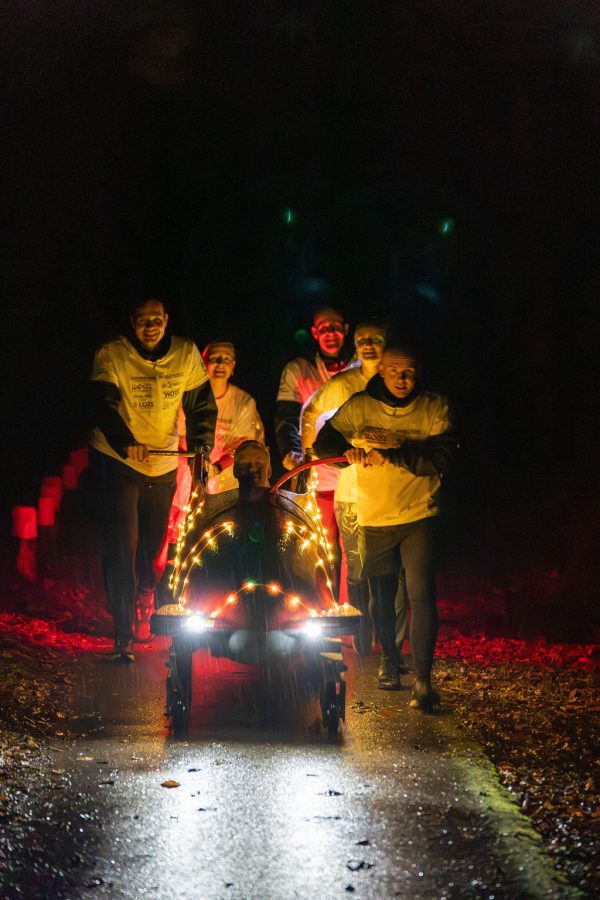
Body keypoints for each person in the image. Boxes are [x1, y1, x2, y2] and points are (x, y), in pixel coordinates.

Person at [314, 342, 456, 708]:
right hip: (374, 515)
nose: (401, 378)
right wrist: (347, 455)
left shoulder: (433, 407)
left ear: (418, 370)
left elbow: (440, 459)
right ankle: (390, 662)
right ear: (382, 371)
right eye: (394, 371)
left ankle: (422, 681)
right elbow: (323, 441)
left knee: (420, 594)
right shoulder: (361, 405)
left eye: (408, 371)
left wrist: (395, 454)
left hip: (419, 513)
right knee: (380, 596)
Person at [90, 296, 217, 661]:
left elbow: (201, 405)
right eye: (142, 320)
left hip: (162, 462)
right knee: (121, 548)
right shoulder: (112, 354)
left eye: (156, 319)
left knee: (156, 552)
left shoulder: (185, 352)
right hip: (120, 460)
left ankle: (148, 591)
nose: (150, 326)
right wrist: (125, 443)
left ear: (166, 320)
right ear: (132, 322)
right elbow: (103, 404)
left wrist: (201, 447)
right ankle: (123, 636)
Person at [301, 322, 407, 658]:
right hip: (351, 491)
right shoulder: (346, 385)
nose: (369, 346)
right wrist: (310, 457)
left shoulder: (402, 383)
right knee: (357, 567)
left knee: (395, 570)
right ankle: (362, 636)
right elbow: (311, 412)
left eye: (376, 339)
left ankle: (390, 644)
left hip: (395, 493)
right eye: (363, 341)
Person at [275, 306, 355, 570]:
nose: (330, 334)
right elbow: (286, 417)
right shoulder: (300, 370)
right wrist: (291, 452)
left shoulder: (361, 368)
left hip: (355, 478)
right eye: (323, 329)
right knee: (318, 551)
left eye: (335, 327)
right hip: (318, 479)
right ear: (314, 333)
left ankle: (352, 606)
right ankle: (321, 607)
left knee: (354, 552)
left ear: (345, 329)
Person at [202, 342, 265, 496]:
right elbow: (181, 436)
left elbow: (244, 444)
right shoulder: (192, 397)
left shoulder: (243, 402)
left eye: (226, 359)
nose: (220, 364)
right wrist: (198, 465)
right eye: (215, 358)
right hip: (192, 475)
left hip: (229, 481)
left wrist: (216, 468)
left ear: (233, 366)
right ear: (204, 363)